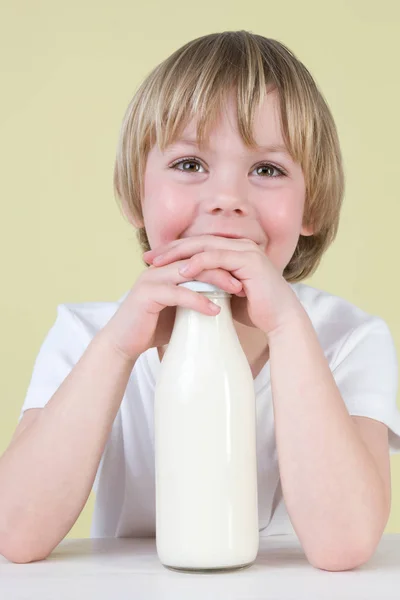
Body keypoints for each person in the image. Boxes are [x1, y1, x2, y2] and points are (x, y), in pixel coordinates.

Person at [1, 30, 399, 570]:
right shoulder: (88, 335)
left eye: (268, 169)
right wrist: (117, 350)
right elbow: (16, 533)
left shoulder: (350, 340)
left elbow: (343, 546)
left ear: (313, 205)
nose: (227, 199)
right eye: (190, 164)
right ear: (136, 193)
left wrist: (286, 327)